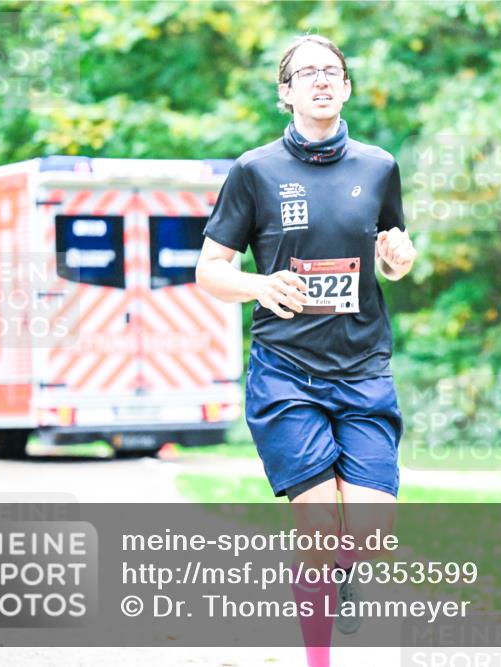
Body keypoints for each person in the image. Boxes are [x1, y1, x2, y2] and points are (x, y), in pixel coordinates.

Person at [195, 34, 416, 667]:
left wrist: (399, 260)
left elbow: (391, 254)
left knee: (373, 537)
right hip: (285, 371)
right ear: (284, 92)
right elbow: (210, 271)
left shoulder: (379, 166)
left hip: (364, 366)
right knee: (318, 530)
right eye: (306, 73)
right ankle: (318, 659)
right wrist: (261, 283)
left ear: (346, 88)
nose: (321, 81)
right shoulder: (255, 171)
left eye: (332, 72)